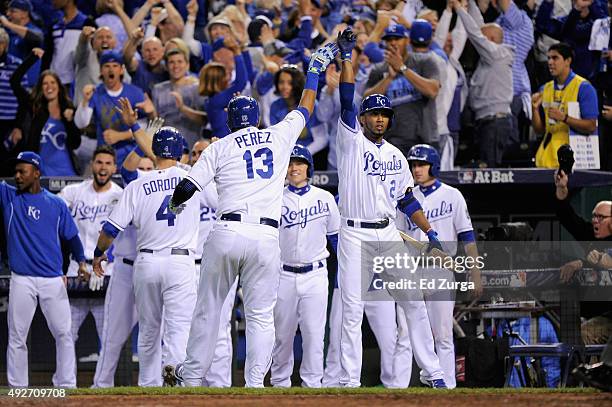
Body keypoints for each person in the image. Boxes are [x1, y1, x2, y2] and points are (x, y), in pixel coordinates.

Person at [162, 42, 338, 388]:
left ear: (229, 121)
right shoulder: (277, 135)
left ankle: (193, 376)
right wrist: (314, 71)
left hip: (227, 231)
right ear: (255, 118)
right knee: (260, 316)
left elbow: (186, 190)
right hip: (267, 238)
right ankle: (256, 384)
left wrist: (174, 204)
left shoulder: (219, 146)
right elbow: (306, 105)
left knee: (209, 311)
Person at [334, 27, 446, 388]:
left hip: (387, 232)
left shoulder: (397, 155)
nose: (380, 118)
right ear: (363, 119)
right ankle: (350, 381)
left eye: (384, 115)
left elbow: (407, 200)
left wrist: (429, 231)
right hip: (352, 232)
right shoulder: (350, 141)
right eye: (374, 114)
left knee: (413, 302)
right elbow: (347, 97)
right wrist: (347, 59)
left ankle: (434, 373)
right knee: (351, 310)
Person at [92, 123, 199, 387]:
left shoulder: (138, 184)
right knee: (178, 329)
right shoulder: (193, 177)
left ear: (153, 151)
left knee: (149, 330)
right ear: (178, 151)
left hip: (147, 262)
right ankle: (175, 380)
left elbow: (109, 230)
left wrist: (98, 253)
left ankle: (149, 387)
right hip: (180, 262)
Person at [394, 144, 481, 389]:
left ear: (433, 165)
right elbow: (398, 235)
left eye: (421, 164)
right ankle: (397, 390)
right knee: (404, 333)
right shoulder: (406, 197)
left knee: (442, 334)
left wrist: (475, 273)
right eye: (413, 165)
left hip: (441, 270)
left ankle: (448, 389)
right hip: (411, 268)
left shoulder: (452, 195)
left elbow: (467, 236)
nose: (416, 169)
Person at [2, 151, 88, 387]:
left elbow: (72, 237)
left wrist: (81, 262)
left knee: (64, 334)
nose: (17, 176)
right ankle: (18, 388)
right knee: (17, 337)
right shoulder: (8, 196)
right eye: (16, 171)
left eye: (23, 171)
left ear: (37, 173)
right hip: (22, 279)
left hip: (52, 279)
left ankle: (66, 385)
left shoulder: (56, 204)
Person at [270, 145, 340, 388]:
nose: (294, 168)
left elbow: (335, 237)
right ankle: (280, 383)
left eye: (299, 163)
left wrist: (344, 269)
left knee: (314, 335)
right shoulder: (275, 197)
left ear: (308, 167)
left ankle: (312, 385)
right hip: (283, 273)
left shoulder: (325, 198)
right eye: (290, 163)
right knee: (282, 335)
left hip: (316, 274)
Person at [58, 145, 123, 374]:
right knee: (65, 333)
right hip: (77, 269)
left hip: (108, 271)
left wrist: (104, 263)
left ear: (114, 167)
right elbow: (55, 216)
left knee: (108, 338)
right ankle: (64, 385)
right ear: (92, 165)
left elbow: (127, 236)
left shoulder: (121, 195)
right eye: (99, 162)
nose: (102, 167)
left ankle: (102, 388)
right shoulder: (74, 192)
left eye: (107, 163)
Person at [364, 22, 441, 156]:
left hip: (424, 136)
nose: (393, 43)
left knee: (424, 177)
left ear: (407, 40)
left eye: (397, 39)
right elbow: (366, 100)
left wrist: (403, 69)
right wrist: (388, 78)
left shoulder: (425, 61)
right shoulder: (379, 70)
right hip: (392, 140)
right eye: (389, 40)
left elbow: (432, 91)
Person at [453, 0, 514, 167]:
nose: (478, 44)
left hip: (494, 123)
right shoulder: (489, 58)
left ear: (492, 39)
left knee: (490, 173)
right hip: (486, 122)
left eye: (484, 39)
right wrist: (470, 3)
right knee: (484, 169)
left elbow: (475, 34)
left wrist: (459, 10)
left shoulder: (498, 54)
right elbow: (479, 26)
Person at [10, 48, 81, 176]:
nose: (49, 87)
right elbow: (14, 81)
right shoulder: (35, 108)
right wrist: (32, 59)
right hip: (42, 173)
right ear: (41, 88)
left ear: (59, 87)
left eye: (53, 83)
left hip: (67, 172)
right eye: (45, 84)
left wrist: (70, 122)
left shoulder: (68, 110)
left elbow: (76, 143)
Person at [532, 43, 599, 168]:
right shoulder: (545, 89)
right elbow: (539, 131)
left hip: (572, 160)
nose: (550, 62)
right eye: (548, 58)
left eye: (555, 58)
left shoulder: (584, 88)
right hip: (546, 159)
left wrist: (564, 118)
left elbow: (591, 126)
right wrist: (535, 110)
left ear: (568, 61)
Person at [74, 50, 145, 168]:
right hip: (105, 157)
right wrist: (85, 101)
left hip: (131, 156)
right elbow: (81, 123)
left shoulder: (135, 93)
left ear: (122, 70)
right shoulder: (95, 93)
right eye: (107, 66)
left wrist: (121, 135)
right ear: (101, 70)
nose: (111, 70)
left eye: (115, 66)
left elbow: (147, 127)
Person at [151, 47, 206, 147]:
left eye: (179, 61)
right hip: (166, 146)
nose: (176, 66)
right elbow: (156, 122)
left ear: (187, 65)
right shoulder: (158, 89)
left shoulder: (197, 88)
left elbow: (205, 119)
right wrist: (150, 112)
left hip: (192, 146)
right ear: (166, 66)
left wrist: (183, 109)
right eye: (171, 62)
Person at [269, 65, 327, 155]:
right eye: (281, 82)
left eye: (290, 83)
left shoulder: (311, 104)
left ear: (297, 84)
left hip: (312, 155)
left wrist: (300, 155)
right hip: (285, 155)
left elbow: (321, 139)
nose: (285, 87)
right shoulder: (275, 106)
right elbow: (276, 138)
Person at [42, 0, 88, 87]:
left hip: (77, 84)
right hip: (55, 83)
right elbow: (47, 57)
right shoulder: (54, 26)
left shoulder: (87, 23)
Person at [0, 0, 44, 87]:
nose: (8, 14)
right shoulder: (8, 32)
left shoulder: (35, 30)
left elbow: (37, 39)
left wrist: (7, 24)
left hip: (28, 85)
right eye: (8, 11)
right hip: (9, 83)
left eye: (12, 11)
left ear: (24, 14)